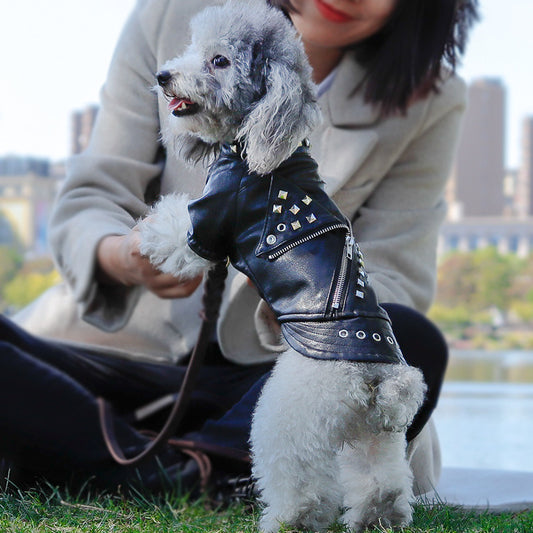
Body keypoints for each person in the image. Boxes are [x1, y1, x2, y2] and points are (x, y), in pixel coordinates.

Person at [3, 0, 478, 498]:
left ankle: (156, 465)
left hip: (279, 376)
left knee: (407, 336)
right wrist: (123, 256)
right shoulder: (170, 14)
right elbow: (93, 194)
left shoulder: (431, 98)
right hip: (112, 356)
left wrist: (297, 285)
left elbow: (395, 277)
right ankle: (191, 472)